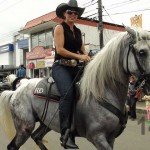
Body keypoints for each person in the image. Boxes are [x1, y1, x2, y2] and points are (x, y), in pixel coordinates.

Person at [52, 0, 91, 149]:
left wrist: (88, 59)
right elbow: (60, 50)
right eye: (70, 12)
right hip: (60, 66)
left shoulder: (78, 31)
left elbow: (83, 50)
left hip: (76, 68)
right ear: (64, 14)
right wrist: (80, 57)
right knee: (67, 94)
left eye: (76, 13)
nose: (73, 15)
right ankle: (66, 134)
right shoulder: (59, 28)